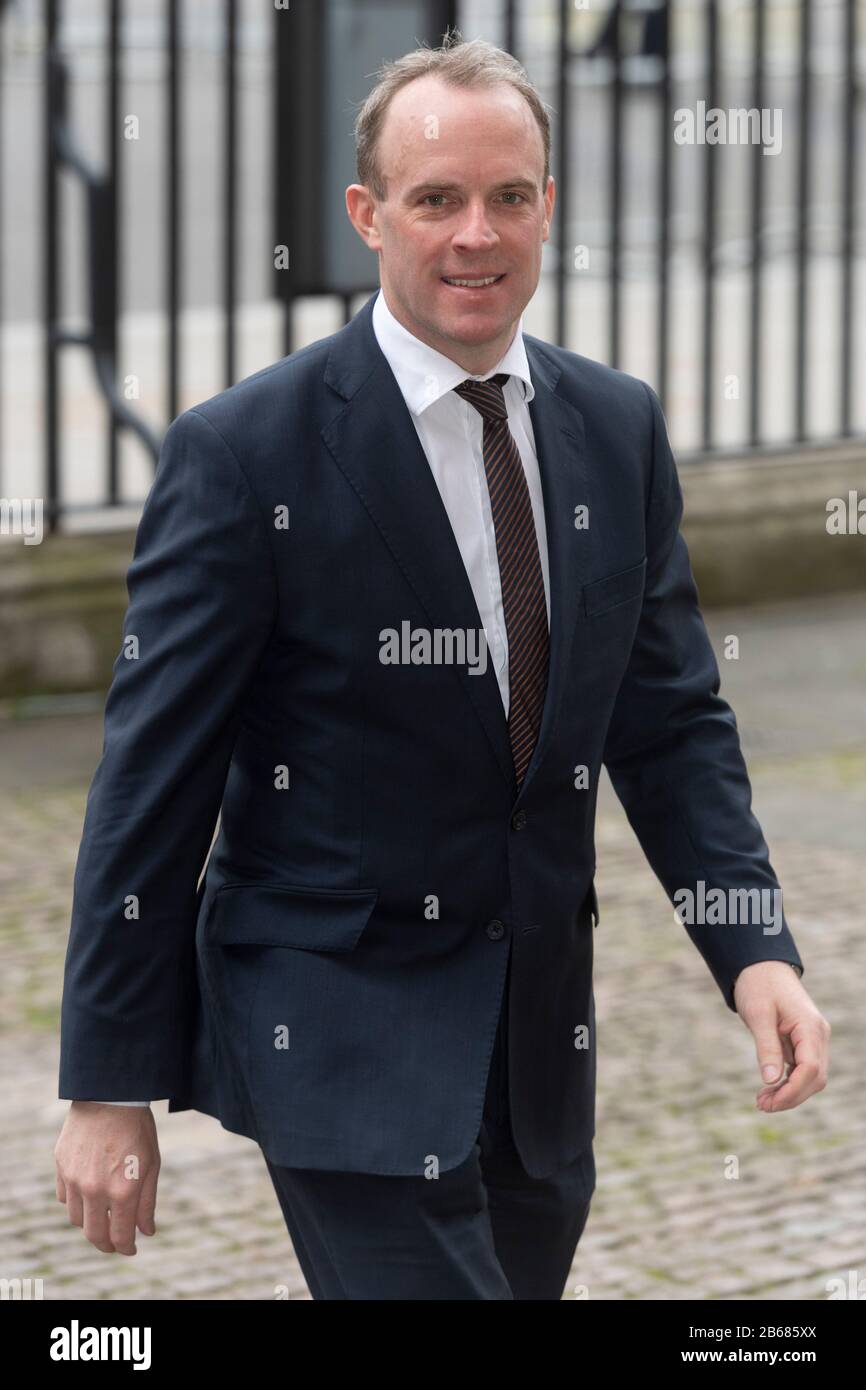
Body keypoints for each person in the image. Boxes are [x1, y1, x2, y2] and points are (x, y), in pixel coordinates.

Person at [54, 33, 829, 1300]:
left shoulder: (615, 427)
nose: (477, 234)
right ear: (367, 215)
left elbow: (669, 722)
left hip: (536, 1049)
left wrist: (753, 948)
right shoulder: (246, 455)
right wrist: (105, 1081)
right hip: (337, 1037)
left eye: (507, 196)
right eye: (436, 199)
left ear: (547, 206)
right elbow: (150, 784)